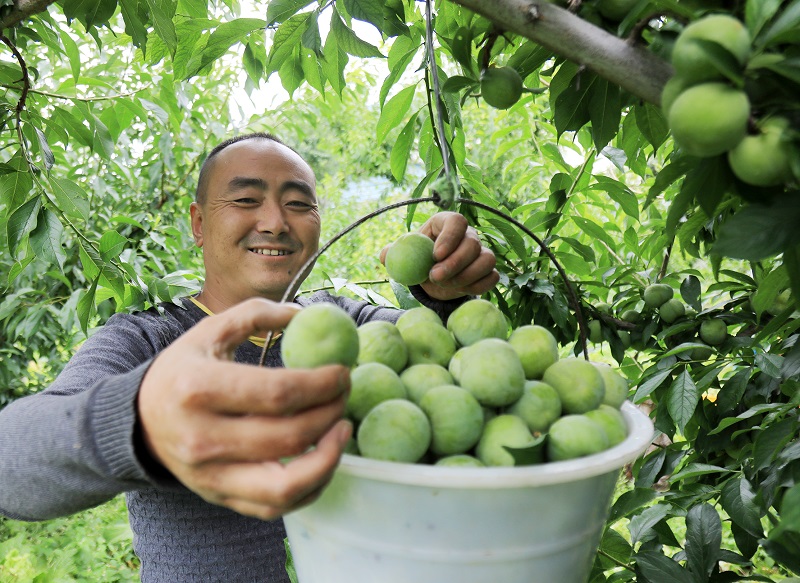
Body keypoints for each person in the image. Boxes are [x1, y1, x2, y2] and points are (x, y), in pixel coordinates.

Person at [0, 133, 499, 581]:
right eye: (245, 199)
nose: (276, 222)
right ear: (198, 224)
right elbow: (12, 466)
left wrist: (448, 296)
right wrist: (139, 418)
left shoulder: (347, 324)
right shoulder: (148, 340)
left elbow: (463, 367)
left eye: (300, 204)